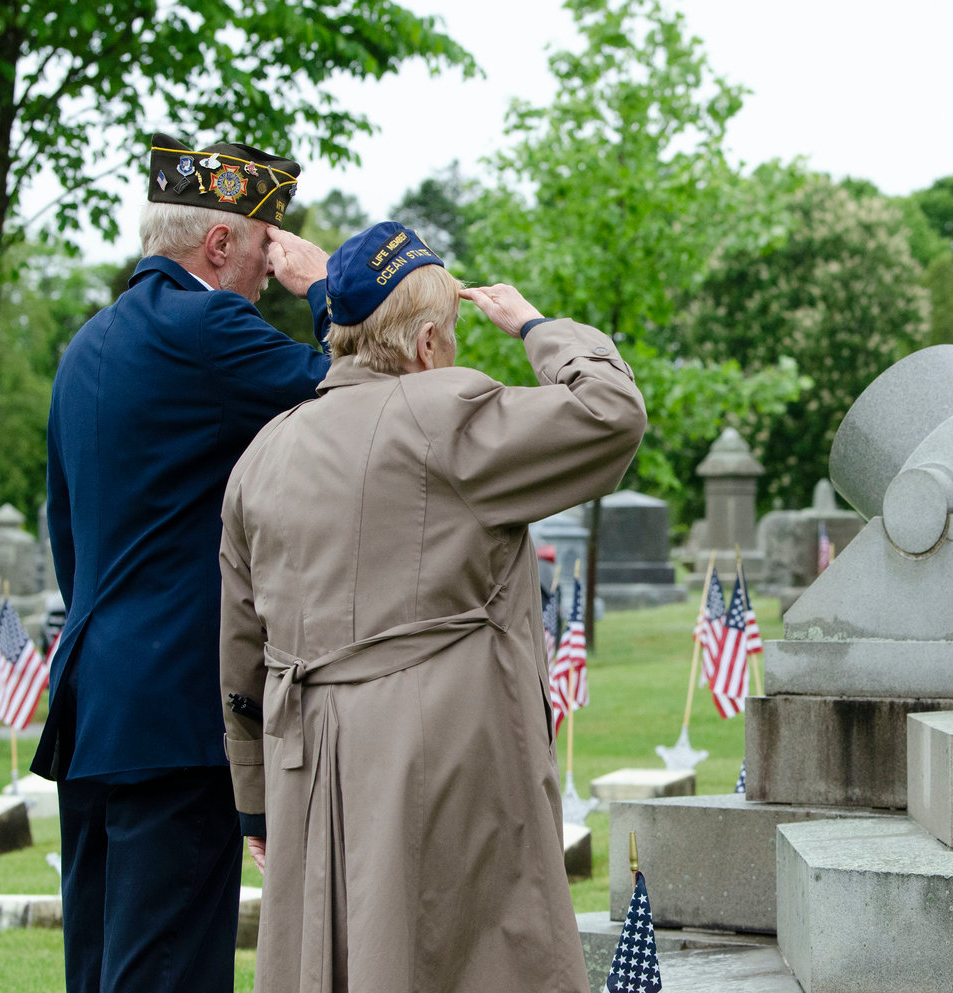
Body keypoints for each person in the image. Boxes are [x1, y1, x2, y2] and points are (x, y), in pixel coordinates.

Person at [219, 221, 646, 993]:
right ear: (424, 345)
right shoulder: (444, 413)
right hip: (445, 752)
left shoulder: (263, 453)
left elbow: (240, 653)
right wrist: (537, 328)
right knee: (462, 957)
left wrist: (254, 807)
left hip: (304, 764)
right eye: (447, 335)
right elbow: (612, 411)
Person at [39, 133, 333, 993]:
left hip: (96, 707)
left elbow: (70, 540)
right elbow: (353, 400)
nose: (261, 274)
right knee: (168, 975)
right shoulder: (207, 323)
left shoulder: (85, 347)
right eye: (260, 249)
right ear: (219, 245)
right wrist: (322, 291)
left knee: (100, 972)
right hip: (174, 714)